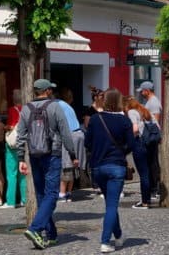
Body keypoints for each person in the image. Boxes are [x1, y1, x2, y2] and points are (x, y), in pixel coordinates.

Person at [17, 79, 79, 250]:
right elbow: (65, 133)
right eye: (50, 89)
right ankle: (35, 229)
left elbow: (20, 135)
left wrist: (21, 158)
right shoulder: (55, 107)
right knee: (52, 194)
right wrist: (73, 154)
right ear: (47, 91)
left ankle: (51, 235)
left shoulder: (26, 108)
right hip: (52, 155)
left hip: (34, 155)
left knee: (41, 195)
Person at [85, 88, 134, 253]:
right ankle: (105, 241)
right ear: (119, 101)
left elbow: (87, 143)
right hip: (116, 166)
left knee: (110, 203)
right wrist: (121, 152)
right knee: (112, 205)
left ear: (104, 101)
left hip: (98, 167)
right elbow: (132, 145)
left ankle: (118, 235)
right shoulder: (125, 121)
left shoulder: (95, 119)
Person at [55, 88, 83, 203]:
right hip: (78, 134)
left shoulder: (57, 104)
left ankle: (62, 194)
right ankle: (69, 193)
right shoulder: (68, 106)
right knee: (73, 165)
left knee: (66, 165)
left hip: (70, 135)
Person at [124, 97, 153, 209]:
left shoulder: (131, 112)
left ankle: (145, 202)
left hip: (138, 144)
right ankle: (147, 199)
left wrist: (128, 138)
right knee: (147, 173)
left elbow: (135, 129)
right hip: (147, 144)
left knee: (143, 174)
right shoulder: (141, 111)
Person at [2, 89, 27, 208]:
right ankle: (24, 200)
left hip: (13, 145)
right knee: (23, 173)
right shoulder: (26, 109)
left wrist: (5, 127)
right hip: (24, 143)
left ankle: (11, 201)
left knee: (11, 173)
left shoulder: (13, 110)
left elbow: (11, 126)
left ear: (13, 99)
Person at [137, 81, 161, 201]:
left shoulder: (153, 102)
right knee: (151, 162)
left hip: (151, 136)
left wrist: (152, 135)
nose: (141, 93)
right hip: (149, 135)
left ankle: (155, 189)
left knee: (153, 162)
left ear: (147, 91)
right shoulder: (150, 101)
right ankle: (153, 188)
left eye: (142, 91)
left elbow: (155, 120)